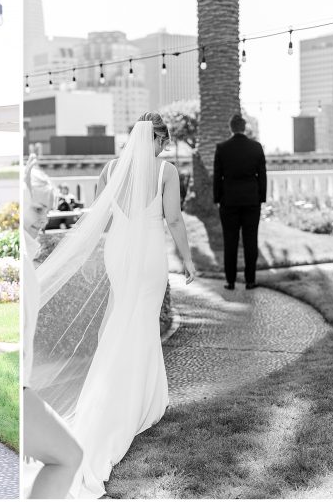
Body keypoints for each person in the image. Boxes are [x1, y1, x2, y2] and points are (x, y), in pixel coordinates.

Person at [32, 113, 198, 498]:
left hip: (119, 253)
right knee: (139, 324)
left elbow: (100, 216)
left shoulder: (110, 169)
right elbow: (173, 218)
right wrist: (187, 259)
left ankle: (149, 398)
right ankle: (126, 405)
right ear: (155, 138)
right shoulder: (166, 172)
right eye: (162, 141)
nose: (162, 149)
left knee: (126, 321)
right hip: (149, 255)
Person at [22, 153, 84, 499]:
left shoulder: (26, 255)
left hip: (23, 389)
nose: (43, 220)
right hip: (20, 389)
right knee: (69, 456)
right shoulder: (22, 259)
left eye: (47, 211)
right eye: (36, 210)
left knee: (66, 455)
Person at [214, 114, 267, 290]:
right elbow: (262, 176)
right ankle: (250, 280)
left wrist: (217, 198)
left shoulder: (222, 148)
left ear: (231, 127)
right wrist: (261, 198)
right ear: (244, 127)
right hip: (251, 201)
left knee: (230, 241)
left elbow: (217, 177)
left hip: (229, 201)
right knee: (251, 240)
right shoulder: (256, 147)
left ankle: (230, 281)